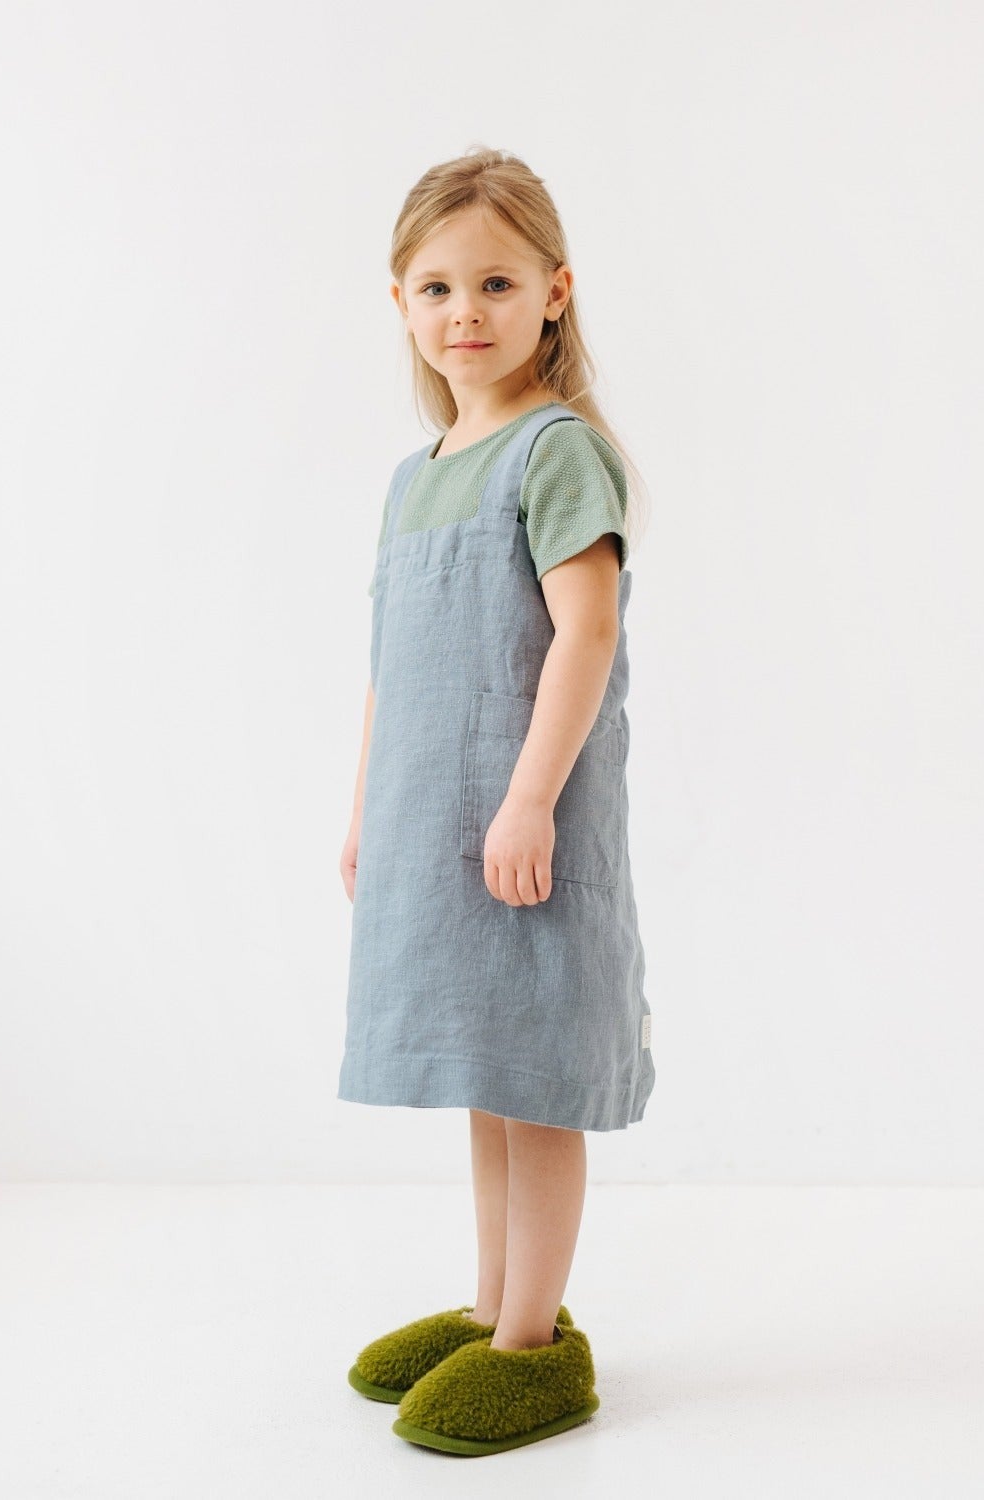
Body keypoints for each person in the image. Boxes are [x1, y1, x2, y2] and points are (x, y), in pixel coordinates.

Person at [336, 146, 656, 1456]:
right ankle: (492, 1309)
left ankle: (538, 1347)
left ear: (554, 293)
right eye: (435, 285)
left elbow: (584, 634)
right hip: (438, 825)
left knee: (536, 1079)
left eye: (496, 281)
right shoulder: (415, 477)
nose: (464, 309)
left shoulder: (558, 452)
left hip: (524, 824)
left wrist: (530, 801)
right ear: (401, 303)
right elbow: (387, 671)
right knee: (484, 1074)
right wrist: (368, 810)